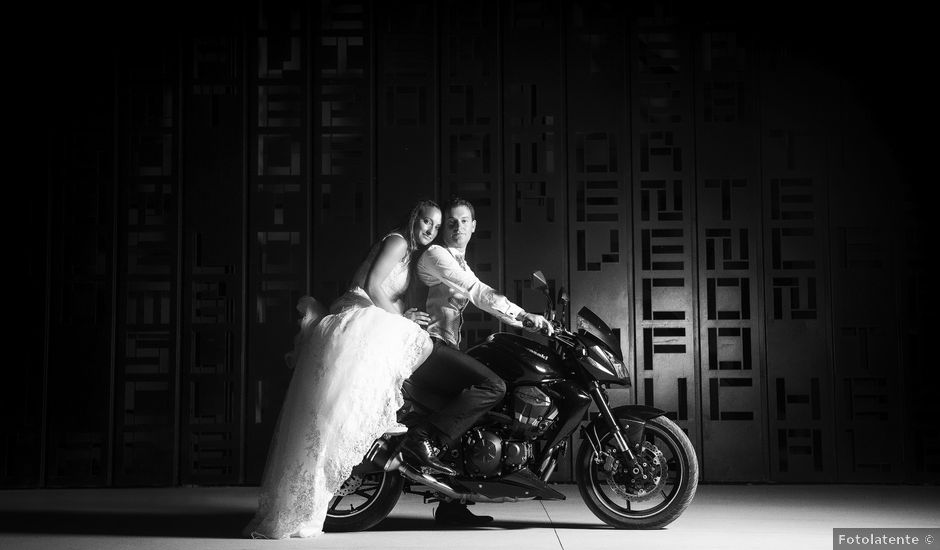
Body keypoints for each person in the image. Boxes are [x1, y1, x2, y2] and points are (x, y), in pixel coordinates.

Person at [243, 200, 442, 539]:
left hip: (367, 318)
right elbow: (374, 284)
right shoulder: (397, 241)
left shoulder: (408, 251)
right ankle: (304, 504)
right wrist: (399, 319)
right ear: (414, 218)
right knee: (331, 421)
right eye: (427, 222)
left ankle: (311, 506)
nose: (430, 230)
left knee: (332, 421)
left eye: (436, 227)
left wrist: (403, 316)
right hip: (358, 318)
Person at [399, 197, 553, 525]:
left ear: (473, 226)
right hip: (429, 349)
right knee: (492, 386)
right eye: (450, 223)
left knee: (477, 410)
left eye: (462, 222)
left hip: (445, 348)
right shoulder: (437, 255)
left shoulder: (460, 262)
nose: (456, 229)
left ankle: (452, 505)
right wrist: (524, 316)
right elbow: (477, 291)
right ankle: (421, 439)